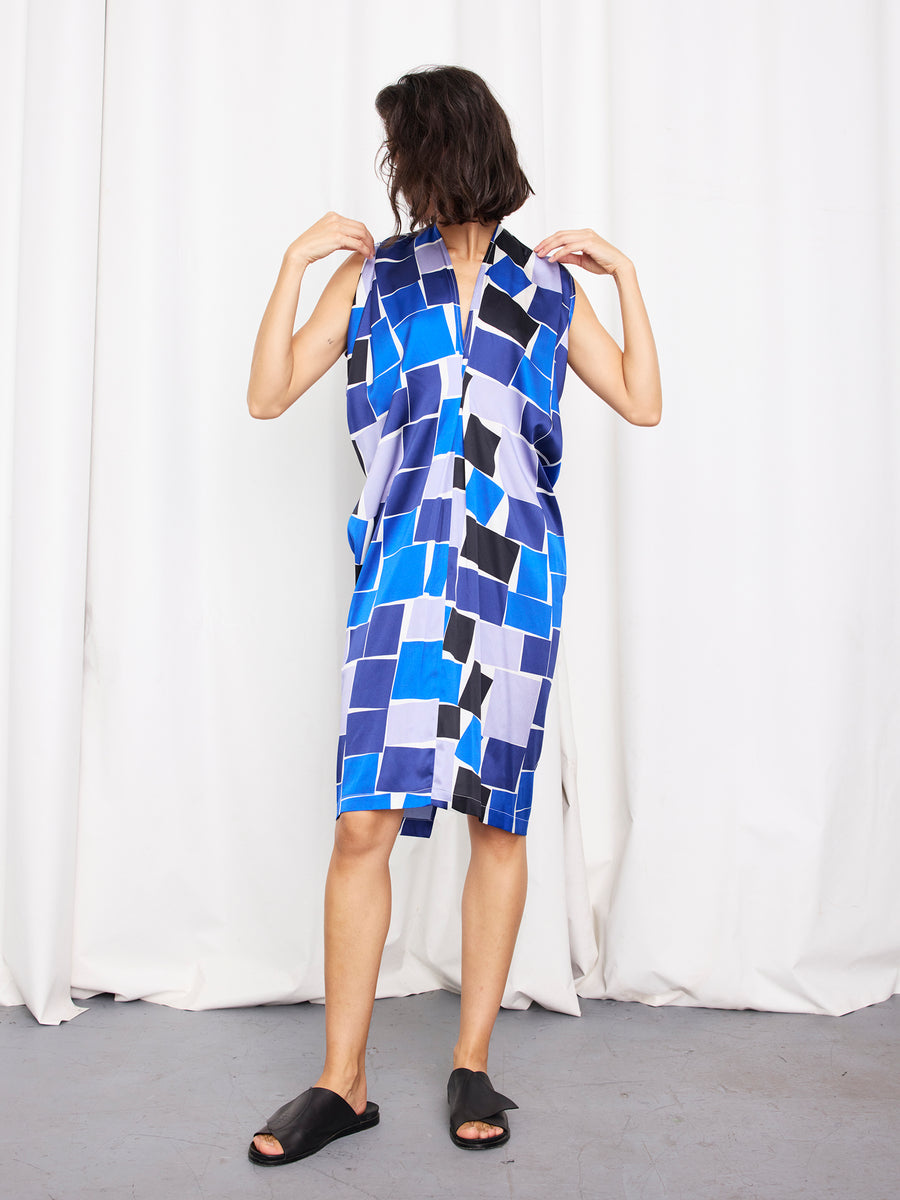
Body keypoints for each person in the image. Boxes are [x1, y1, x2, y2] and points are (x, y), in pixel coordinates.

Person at [244, 65, 661, 1167]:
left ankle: (473, 1058)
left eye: (402, 153)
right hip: (401, 578)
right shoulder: (379, 278)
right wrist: (295, 265)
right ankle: (344, 1081)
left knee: (501, 817)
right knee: (362, 824)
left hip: (514, 581)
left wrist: (622, 275)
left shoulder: (544, 286)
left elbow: (642, 400)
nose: (392, 175)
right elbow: (271, 389)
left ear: (441, 151)